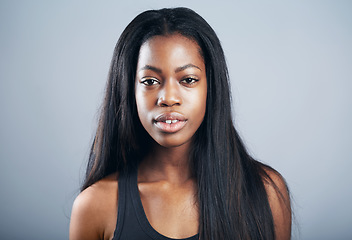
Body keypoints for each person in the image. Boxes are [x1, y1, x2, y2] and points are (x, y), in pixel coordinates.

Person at [69, 7, 291, 240]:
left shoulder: (267, 193)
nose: (168, 98)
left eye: (188, 80)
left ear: (211, 87)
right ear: (129, 90)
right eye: (150, 81)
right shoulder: (94, 206)